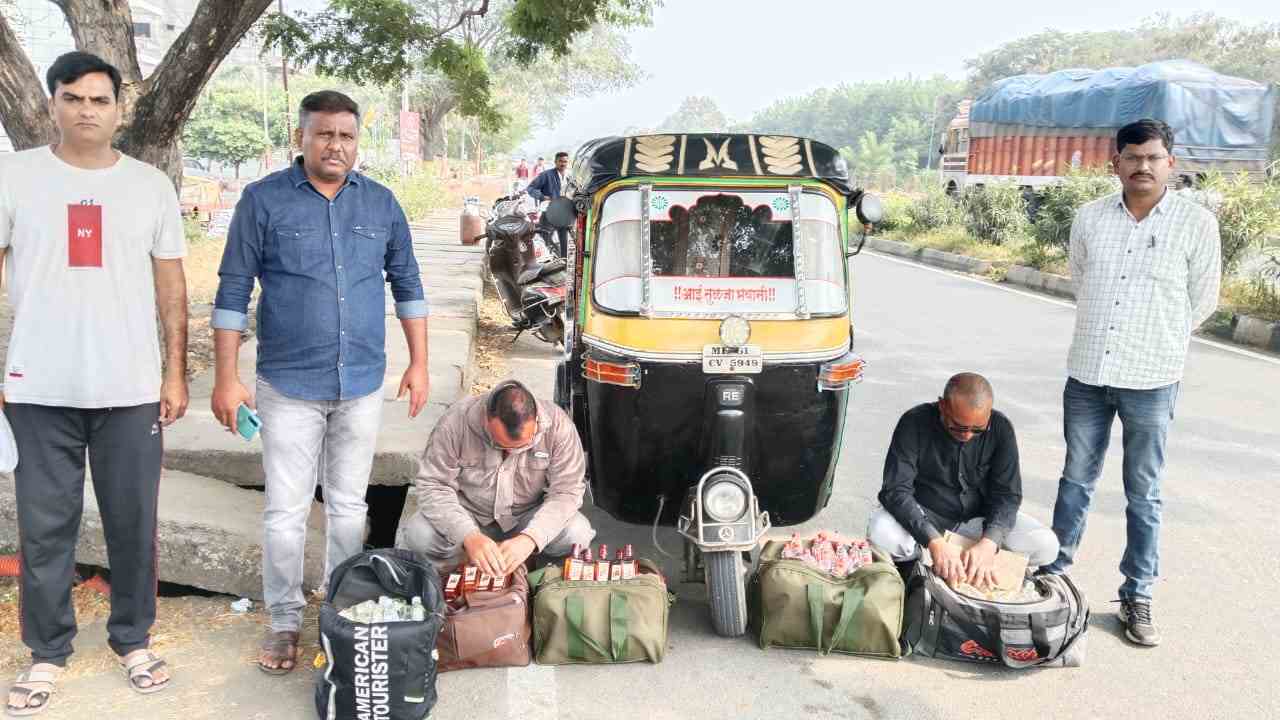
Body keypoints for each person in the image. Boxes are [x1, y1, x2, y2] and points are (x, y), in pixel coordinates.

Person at [211, 90, 431, 675]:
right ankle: (283, 619)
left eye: (346, 136)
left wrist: (419, 363)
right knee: (285, 510)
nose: (336, 145)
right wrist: (226, 379)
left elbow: (407, 285)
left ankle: (341, 608)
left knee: (348, 508)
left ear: (357, 142)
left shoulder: (382, 204)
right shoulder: (262, 202)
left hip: (360, 382)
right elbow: (233, 292)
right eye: (324, 134)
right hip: (288, 385)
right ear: (302, 139)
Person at [1, 51, 188, 714]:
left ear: (118, 109)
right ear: (52, 103)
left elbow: (171, 284)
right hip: (37, 391)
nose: (86, 110)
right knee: (45, 529)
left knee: (133, 524)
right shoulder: (14, 176)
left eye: (98, 99)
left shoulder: (148, 186)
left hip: (131, 388)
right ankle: (47, 653)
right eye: (73, 97)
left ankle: (132, 639)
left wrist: (175, 370)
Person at [1042, 119, 1221, 647]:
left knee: (1143, 492)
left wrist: (1159, 340)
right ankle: (1053, 574)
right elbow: (1082, 278)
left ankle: (1137, 595)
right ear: (1115, 162)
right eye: (1133, 157)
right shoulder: (1090, 218)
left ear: (1170, 163)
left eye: (1153, 157)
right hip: (1089, 374)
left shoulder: (1195, 223)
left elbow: (1203, 299)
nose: (1143, 166)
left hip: (1152, 378)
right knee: (1075, 480)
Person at [867, 374, 1059, 588]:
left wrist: (989, 542)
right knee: (881, 533)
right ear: (942, 406)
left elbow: (1007, 496)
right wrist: (934, 541)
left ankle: (981, 566)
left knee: (1047, 545)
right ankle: (915, 575)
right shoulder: (914, 422)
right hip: (927, 515)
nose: (968, 435)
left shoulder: (1000, 428)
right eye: (959, 427)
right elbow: (895, 491)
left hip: (978, 522)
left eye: (978, 430)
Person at [401, 380, 595, 577]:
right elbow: (434, 486)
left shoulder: (558, 426)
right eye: (502, 445)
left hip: (526, 519)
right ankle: (456, 578)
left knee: (577, 532)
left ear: (536, 420)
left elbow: (566, 493)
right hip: (470, 516)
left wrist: (531, 538)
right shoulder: (455, 423)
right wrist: (468, 536)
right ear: (486, 419)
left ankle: (538, 580)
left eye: (522, 445)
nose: (511, 451)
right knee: (420, 534)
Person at [526, 152, 572, 256]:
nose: (563, 164)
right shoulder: (546, 175)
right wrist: (542, 196)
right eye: (560, 161)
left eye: (565, 161)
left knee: (564, 239)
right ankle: (554, 254)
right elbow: (530, 188)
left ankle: (563, 261)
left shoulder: (570, 177)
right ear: (555, 162)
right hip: (548, 211)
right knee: (545, 235)